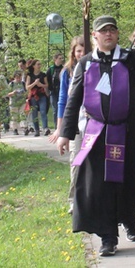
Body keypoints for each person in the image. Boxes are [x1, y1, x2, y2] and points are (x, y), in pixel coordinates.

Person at [56, 16, 135, 257]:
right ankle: (108, 236)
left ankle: (128, 219)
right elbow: (74, 100)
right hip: (98, 134)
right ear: (95, 37)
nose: (108, 34)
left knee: (130, 181)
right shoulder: (85, 63)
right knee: (100, 187)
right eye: (103, 31)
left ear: (117, 33)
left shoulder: (130, 58)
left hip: (129, 132)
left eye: (112, 30)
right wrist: (65, 134)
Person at [48, 36, 86, 214]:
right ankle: (74, 200)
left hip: (95, 123)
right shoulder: (67, 72)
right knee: (77, 160)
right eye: (78, 50)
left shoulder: (98, 67)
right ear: (73, 53)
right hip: (75, 124)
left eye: (84, 50)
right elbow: (63, 100)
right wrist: (60, 128)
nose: (81, 54)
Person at [25, 59, 49, 137]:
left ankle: (45, 128)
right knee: (34, 113)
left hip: (42, 95)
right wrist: (35, 83)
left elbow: (46, 85)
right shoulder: (29, 75)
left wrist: (40, 85)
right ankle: (37, 130)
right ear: (33, 66)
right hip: (33, 96)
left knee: (43, 111)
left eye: (40, 64)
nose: (39, 66)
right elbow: (27, 87)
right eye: (38, 64)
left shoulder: (43, 75)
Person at [47, 53, 65, 125]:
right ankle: (56, 126)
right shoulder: (50, 69)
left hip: (62, 91)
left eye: (62, 58)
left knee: (63, 109)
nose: (61, 60)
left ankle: (63, 125)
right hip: (53, 92)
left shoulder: (64, 69)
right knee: (55, 110)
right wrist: (48, 91)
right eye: (59, 58)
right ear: (55, 59)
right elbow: (47, 81)